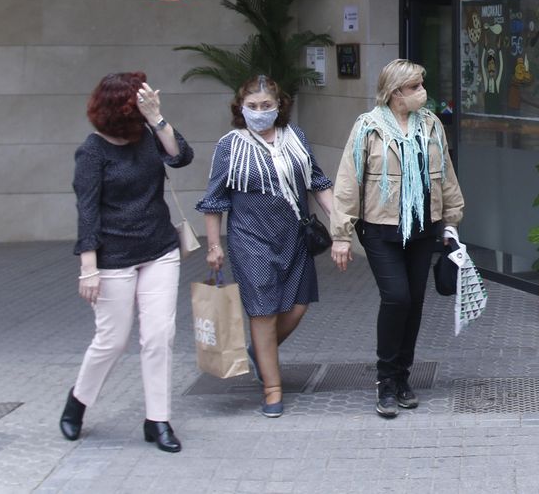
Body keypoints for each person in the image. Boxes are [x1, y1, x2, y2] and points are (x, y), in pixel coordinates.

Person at [61, 72, 193, 453]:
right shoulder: (92, 152)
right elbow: (87, 213)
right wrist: (89, 268)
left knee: (158, 336)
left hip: (159, 250)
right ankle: (77, 403)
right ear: (121, 106)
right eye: (141, 97)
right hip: (113, 256)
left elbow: (181, 156)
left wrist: (157, 118)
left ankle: (158, 420)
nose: (151, 97)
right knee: (112, 340)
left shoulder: (150, 135)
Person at [331, 59, 465, 419]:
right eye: (415, 86)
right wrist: (341, 235)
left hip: (424, 228)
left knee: (415, 303)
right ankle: (386, 381)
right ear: (394, 92)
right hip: (380, 229)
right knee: (397, 298)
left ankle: (403, 378)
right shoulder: (368, 128)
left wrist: (451, 221)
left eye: (423, 84)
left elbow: (446, 175)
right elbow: (347, 181)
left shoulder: (432, 125)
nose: (422, 92)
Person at [197, 76, 332, 418]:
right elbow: (214, 200)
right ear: (241, 109)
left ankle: (259, 352)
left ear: (279, 106)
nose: (259, 112)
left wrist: (340, 220)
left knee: (299, 305)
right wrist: (214, 246)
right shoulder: (230, 145)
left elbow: (317, 181)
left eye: (266, 106)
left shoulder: (295, 137)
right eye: (252, 106)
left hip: (294, 236)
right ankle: (272, 389)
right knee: (263, 311)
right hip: (251, 238)